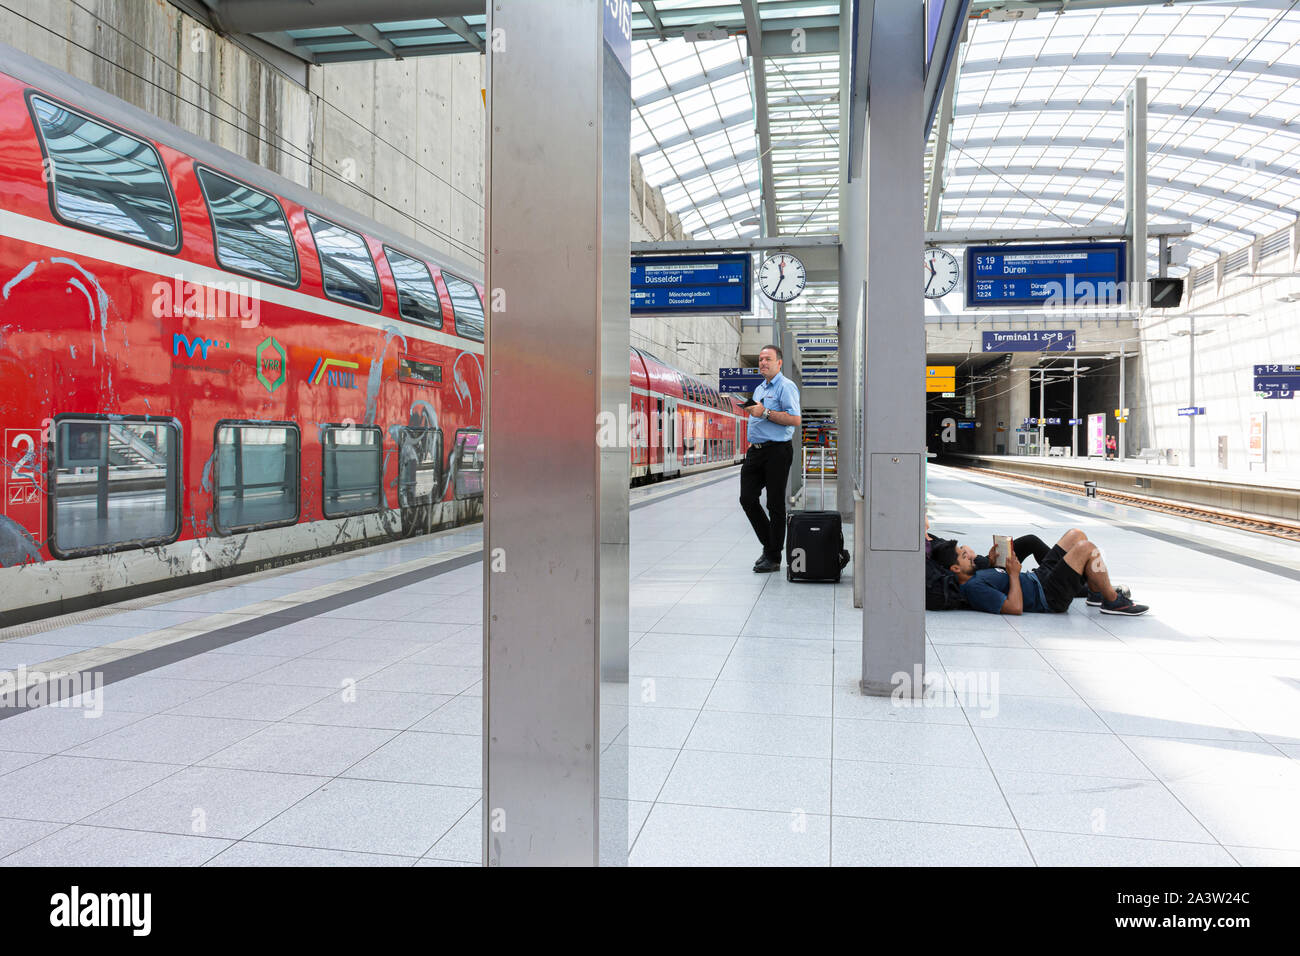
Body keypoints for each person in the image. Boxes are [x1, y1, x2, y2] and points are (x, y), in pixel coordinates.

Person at [931, 529, 1148, 616]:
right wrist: (1013, 574)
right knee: (1086, 548)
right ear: (955, 569)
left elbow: (996, 576)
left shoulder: (973, 574)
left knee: (1076, 535)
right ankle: (1113, 601)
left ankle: (1095, 593)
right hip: (1048, 596)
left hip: (1039, 577)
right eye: (964, 556)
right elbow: (1014, 608)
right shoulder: (973, 588)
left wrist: (993, 561)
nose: (970, 555)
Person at [740, 344, 802, 572]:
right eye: (760, 359)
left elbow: (795, 419)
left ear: (779, 363)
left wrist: (764, 412)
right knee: (747, 499)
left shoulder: (786, 386)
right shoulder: (759, 389)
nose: (763, 363)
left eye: (768, 359)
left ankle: (773, 556)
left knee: (774, 504)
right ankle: (771, 547)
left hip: (777, 451)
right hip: (755, 451)